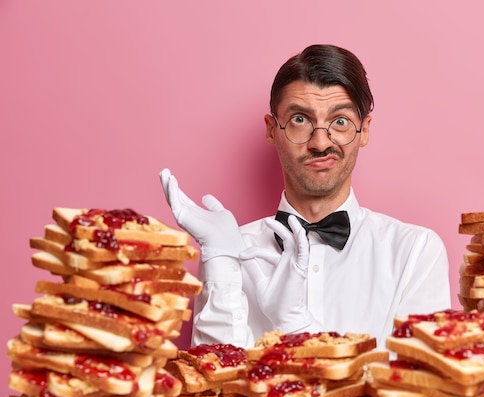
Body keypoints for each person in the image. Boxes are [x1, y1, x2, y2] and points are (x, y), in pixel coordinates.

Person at [160, 44, 451, 349]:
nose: (321, 142)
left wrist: (299, 325)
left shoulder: (416, 253)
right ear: (272, 130)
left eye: (340, 121)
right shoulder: (230, 248)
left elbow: (410, 390)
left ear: (364, 130)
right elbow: (215, 385)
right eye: (300, 119)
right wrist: (220, 261)